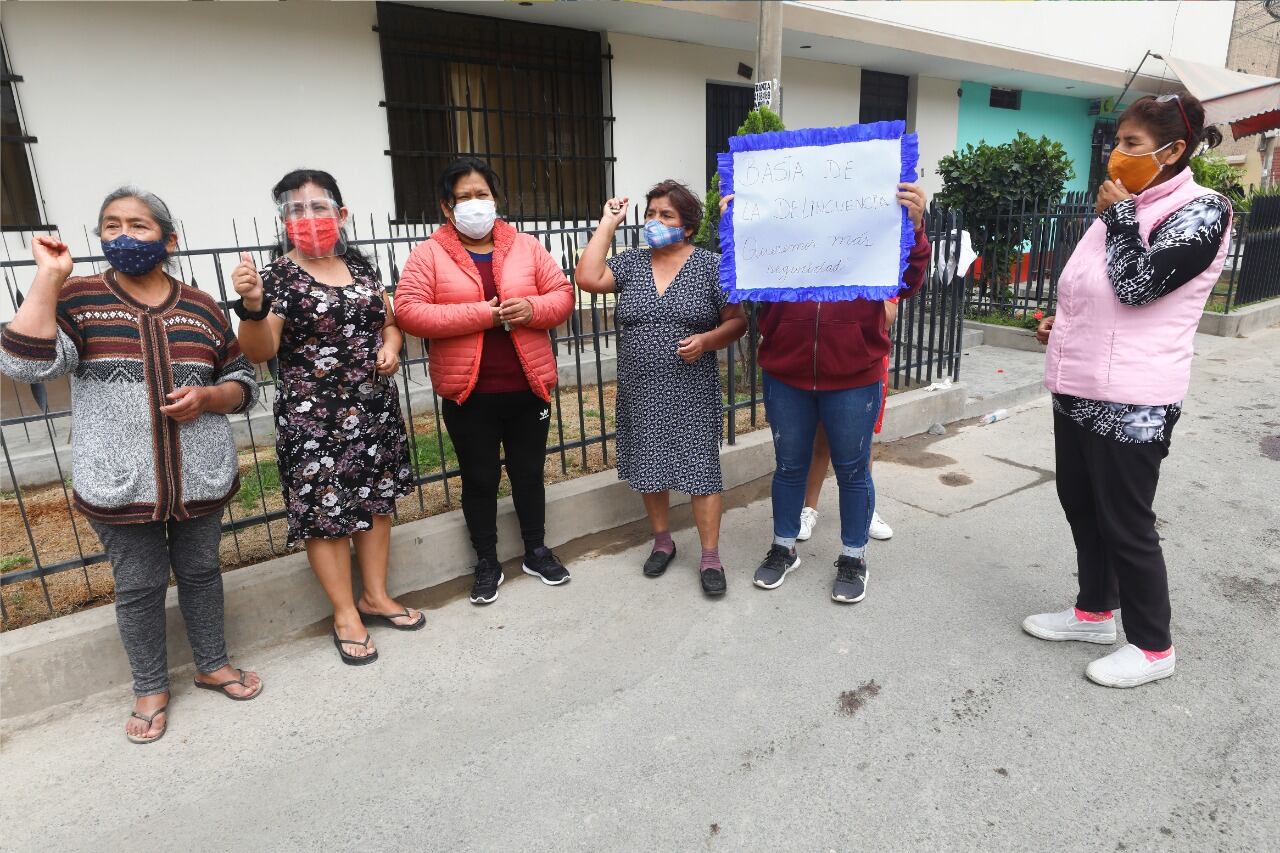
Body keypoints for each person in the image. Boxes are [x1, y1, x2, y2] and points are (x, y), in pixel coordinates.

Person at [0, 188, 263, 743]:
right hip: (120, 482)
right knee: (139, 585)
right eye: (111, 225)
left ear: (170, 240)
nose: (124, 236)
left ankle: (212, 663)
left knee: (201, 573)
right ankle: (150, 687)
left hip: (200, 475)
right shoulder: (78, 299)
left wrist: (208, 398)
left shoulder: (202, 307)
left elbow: (244, 382)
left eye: (139, 226)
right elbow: (22, 364)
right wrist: (48, 277)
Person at [1024, 92, 1233, 688]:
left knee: (1126, 521)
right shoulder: (1120, 207)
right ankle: (1094, 612)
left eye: (1132, 143)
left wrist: (1119, 219)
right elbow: (1096, 292)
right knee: (1081, 504)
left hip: (1135, 398)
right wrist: (1062, 324)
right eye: (1117, 140)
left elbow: (1140, 286)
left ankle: (1153, 645)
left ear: (1174, 150)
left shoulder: (1202, 210)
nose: (1117, 153)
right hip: (1078, 383)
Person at [234, 169, 420, 666]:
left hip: (373, 409)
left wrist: (392, 346)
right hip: (314, 419)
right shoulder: (276, 278)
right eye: (295, 209)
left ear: (341, 214)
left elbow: (389, 321)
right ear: (283, 220)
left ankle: (375, 596)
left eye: (317, 206)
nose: (307, 216)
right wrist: (252, 307)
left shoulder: (360, 268)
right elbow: (260, 351)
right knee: (325, 516)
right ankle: (345, 613)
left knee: (376, 501)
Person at [720, 183, 931, 604]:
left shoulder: (868, 221)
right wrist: (736, 228)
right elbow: (740, 279)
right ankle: (783, 548)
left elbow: (907, 281)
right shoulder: (783, 221)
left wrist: (916, 228)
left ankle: (854, 557)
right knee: (788, 466)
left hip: (854, 372)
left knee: (853, 470)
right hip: (786, 370)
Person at [394, 157, 575, 605]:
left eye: (483, 194)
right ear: (447, 207)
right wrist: (483, 315)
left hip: (527, 385)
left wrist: (532, 309)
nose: (475, 203)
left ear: (495, 199)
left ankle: (536, 550)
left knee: (529, 472)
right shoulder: (429, 254)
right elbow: (410, 312)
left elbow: (562, 296)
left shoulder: (526, 246)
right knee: (480, 478)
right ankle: (487, 561)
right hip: (469, 392)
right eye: (464, 197)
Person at [574, 181, 748, 596]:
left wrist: (706, 341)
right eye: (650, 213)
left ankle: (710, 556)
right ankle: (663, 541)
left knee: (701, 471)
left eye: (665, 215)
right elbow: (587, 277)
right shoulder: (632, 264)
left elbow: (737, 321)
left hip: (691, 388)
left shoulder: (710, 266)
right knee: (649, 466)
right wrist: (608, 222)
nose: (654, 221)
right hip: (641, 388)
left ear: (687, 227)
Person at [798, 297, 898, 543]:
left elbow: (886, 318)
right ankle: (809, 509)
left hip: (863, 362)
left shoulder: (880, 272)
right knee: (821, 439)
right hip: (824, 355)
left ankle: (865, 510)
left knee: (861, 443)